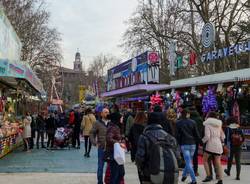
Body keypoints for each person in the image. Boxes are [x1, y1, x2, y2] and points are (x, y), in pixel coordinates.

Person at [136, 112, 181, 184]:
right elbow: (178, 158)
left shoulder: (144, 137)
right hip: (169, 175)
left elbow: (140, 158)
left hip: (150, 174)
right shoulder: (170, 138)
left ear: (148, 121)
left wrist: (142, 170)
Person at [176, 108, 201, 184]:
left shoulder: (178, 123)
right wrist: (200, 141)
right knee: (189, 161)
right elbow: (196, 134)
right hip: (193, 144)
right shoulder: (193, 122)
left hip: (184, 144)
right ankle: (184, 175)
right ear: (188, 114)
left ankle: (194, 180)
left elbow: (177, 135)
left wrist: (178, 143)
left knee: (188, 162)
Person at [202, 111, 225, 184]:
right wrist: (222, 142)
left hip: (210, 145)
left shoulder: (207, 124)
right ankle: (220, 179)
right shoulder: (219, 124)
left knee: (205, 160)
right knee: (218, 162)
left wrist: (202, 141)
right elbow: (223, 136)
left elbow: (207, 136)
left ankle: (208, 176)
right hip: (218, 144)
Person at [90, 108, 110, 184]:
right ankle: (100, 182)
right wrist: (94, 142)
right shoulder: (97, 123)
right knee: (101, 166)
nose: (107, 114)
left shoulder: (111, 123)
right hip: (102, 147)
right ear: (101, 114)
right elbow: (92, 133)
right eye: (105, 112)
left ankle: (109, 181)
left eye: (108, 112)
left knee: (111, 167)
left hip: (111, 148)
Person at [106, 112, 125, 184]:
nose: (122, 119)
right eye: (121, 117)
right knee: (115, 174)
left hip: (118, 154)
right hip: (113, 154)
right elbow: (108, 138)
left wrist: (122, 140)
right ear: (117, 119)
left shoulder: (117, 126)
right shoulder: (113, 127)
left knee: (121, 173)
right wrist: (118, 143)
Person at [189, 106, 203, 176]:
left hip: (188, 139)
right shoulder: (200, 119)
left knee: (187, 155)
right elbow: (201, 130)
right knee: (195, 155)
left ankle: (188, 169)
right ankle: (195, 170)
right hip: (196, 139)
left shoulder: (188, 119)